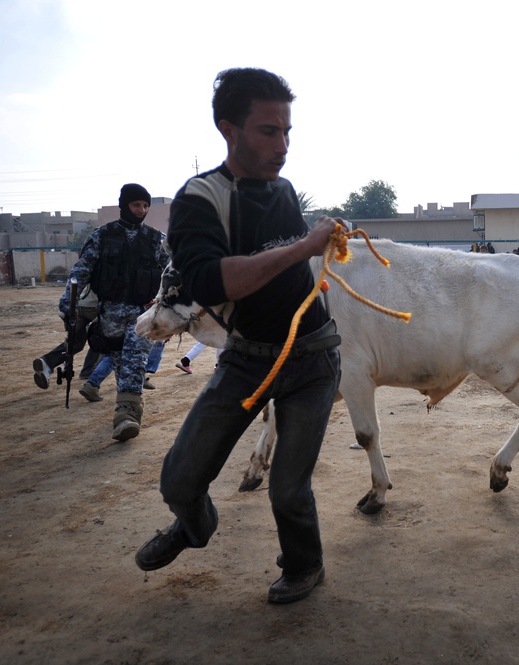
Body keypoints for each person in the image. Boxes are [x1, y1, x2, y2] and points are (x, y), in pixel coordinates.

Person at [135, 68, 344, 605]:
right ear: (229, 130)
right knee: (179, 480)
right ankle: (193, 527)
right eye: (269, 131)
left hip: (312, 355)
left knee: (287, 489)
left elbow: (290, 266)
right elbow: (211, 281)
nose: (284, 145)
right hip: (246, 358)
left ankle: (305, 565)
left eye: (288, 131)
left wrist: (317, 241)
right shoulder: (200, 199)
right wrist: (305, 246)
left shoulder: (284, 189)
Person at [60, 183, 167, 440]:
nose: (141, 210)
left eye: (145, 206)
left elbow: (170, 272)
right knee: (121, 361)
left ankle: (126, 415)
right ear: (124, 206)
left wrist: (164, 300)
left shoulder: (156, 239)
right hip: (110, 313)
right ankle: (128, 409)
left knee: (135, 358)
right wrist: (68, 304)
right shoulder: (102, 236)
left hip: (143, 312)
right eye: (136, 205)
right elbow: (81, 271)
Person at [33, 287, 102, 389]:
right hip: (96, 307)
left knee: (75, 343)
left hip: (81, 304)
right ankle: (89, 370)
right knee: (105, 339)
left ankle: (47, 362)